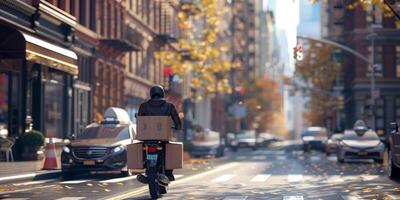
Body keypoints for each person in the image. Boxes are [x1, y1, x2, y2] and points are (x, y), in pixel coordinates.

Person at [136, 85, 182, 184]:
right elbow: (176, 119)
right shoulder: (169, 106)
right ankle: (168, 174)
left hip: (147, 138)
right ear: (162, 93)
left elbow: (140, 120)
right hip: (163, 138)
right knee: (169, 152)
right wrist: (178, 126)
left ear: (151, 93)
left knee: (143, 150)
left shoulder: (143, 106)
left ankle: (146, 171)